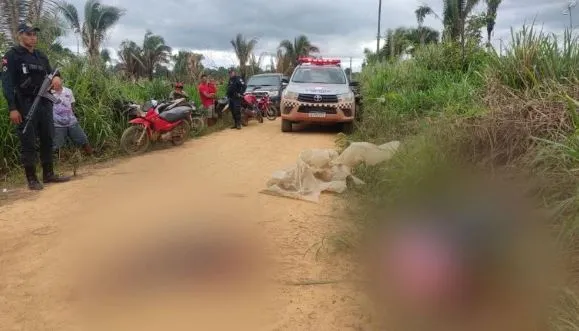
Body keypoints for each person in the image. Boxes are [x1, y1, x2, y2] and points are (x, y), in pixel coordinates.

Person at [1, 22, 70, 190]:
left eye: (34, 34)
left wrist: (56, 77)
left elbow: (52, 71)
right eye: (29, 34)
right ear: (20, 35)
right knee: (28, 140)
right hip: (24, 104)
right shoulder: (11, 55)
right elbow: (7, 83)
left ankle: (48, 174)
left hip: (45, 102)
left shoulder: (40, 55)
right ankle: (31, 178)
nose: (33, 37)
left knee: (47, 137)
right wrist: (12, 108)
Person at [50, 76, 95, 156]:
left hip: (71, 121)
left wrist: (71, 115)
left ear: (62, 81)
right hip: (57, 124)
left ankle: (92, 156)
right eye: (54, 84)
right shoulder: (49, 94)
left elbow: (72, 105)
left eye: (58, 83)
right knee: (56, 145)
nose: (56, 85)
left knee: (83, 139)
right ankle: (57, 163)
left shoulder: (68, 91)